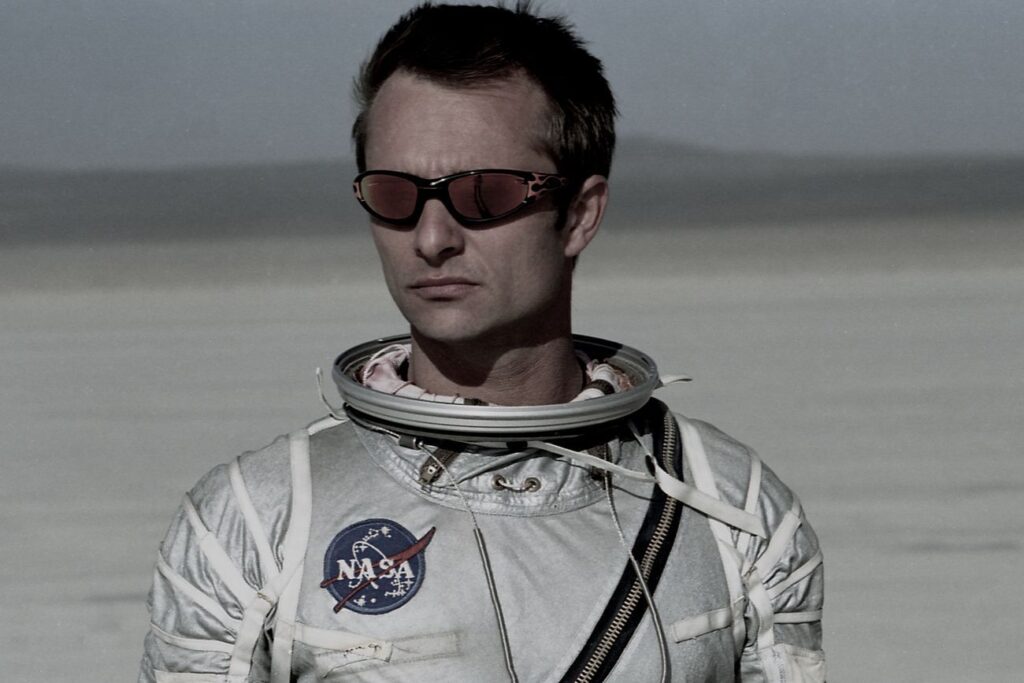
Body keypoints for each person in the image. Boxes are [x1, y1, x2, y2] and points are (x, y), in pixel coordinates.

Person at [139, 3, 825, 681]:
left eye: (484, 194)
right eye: (394, 194)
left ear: (579, 215)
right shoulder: (257, 520)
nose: (431, 238)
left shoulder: (730, 507)